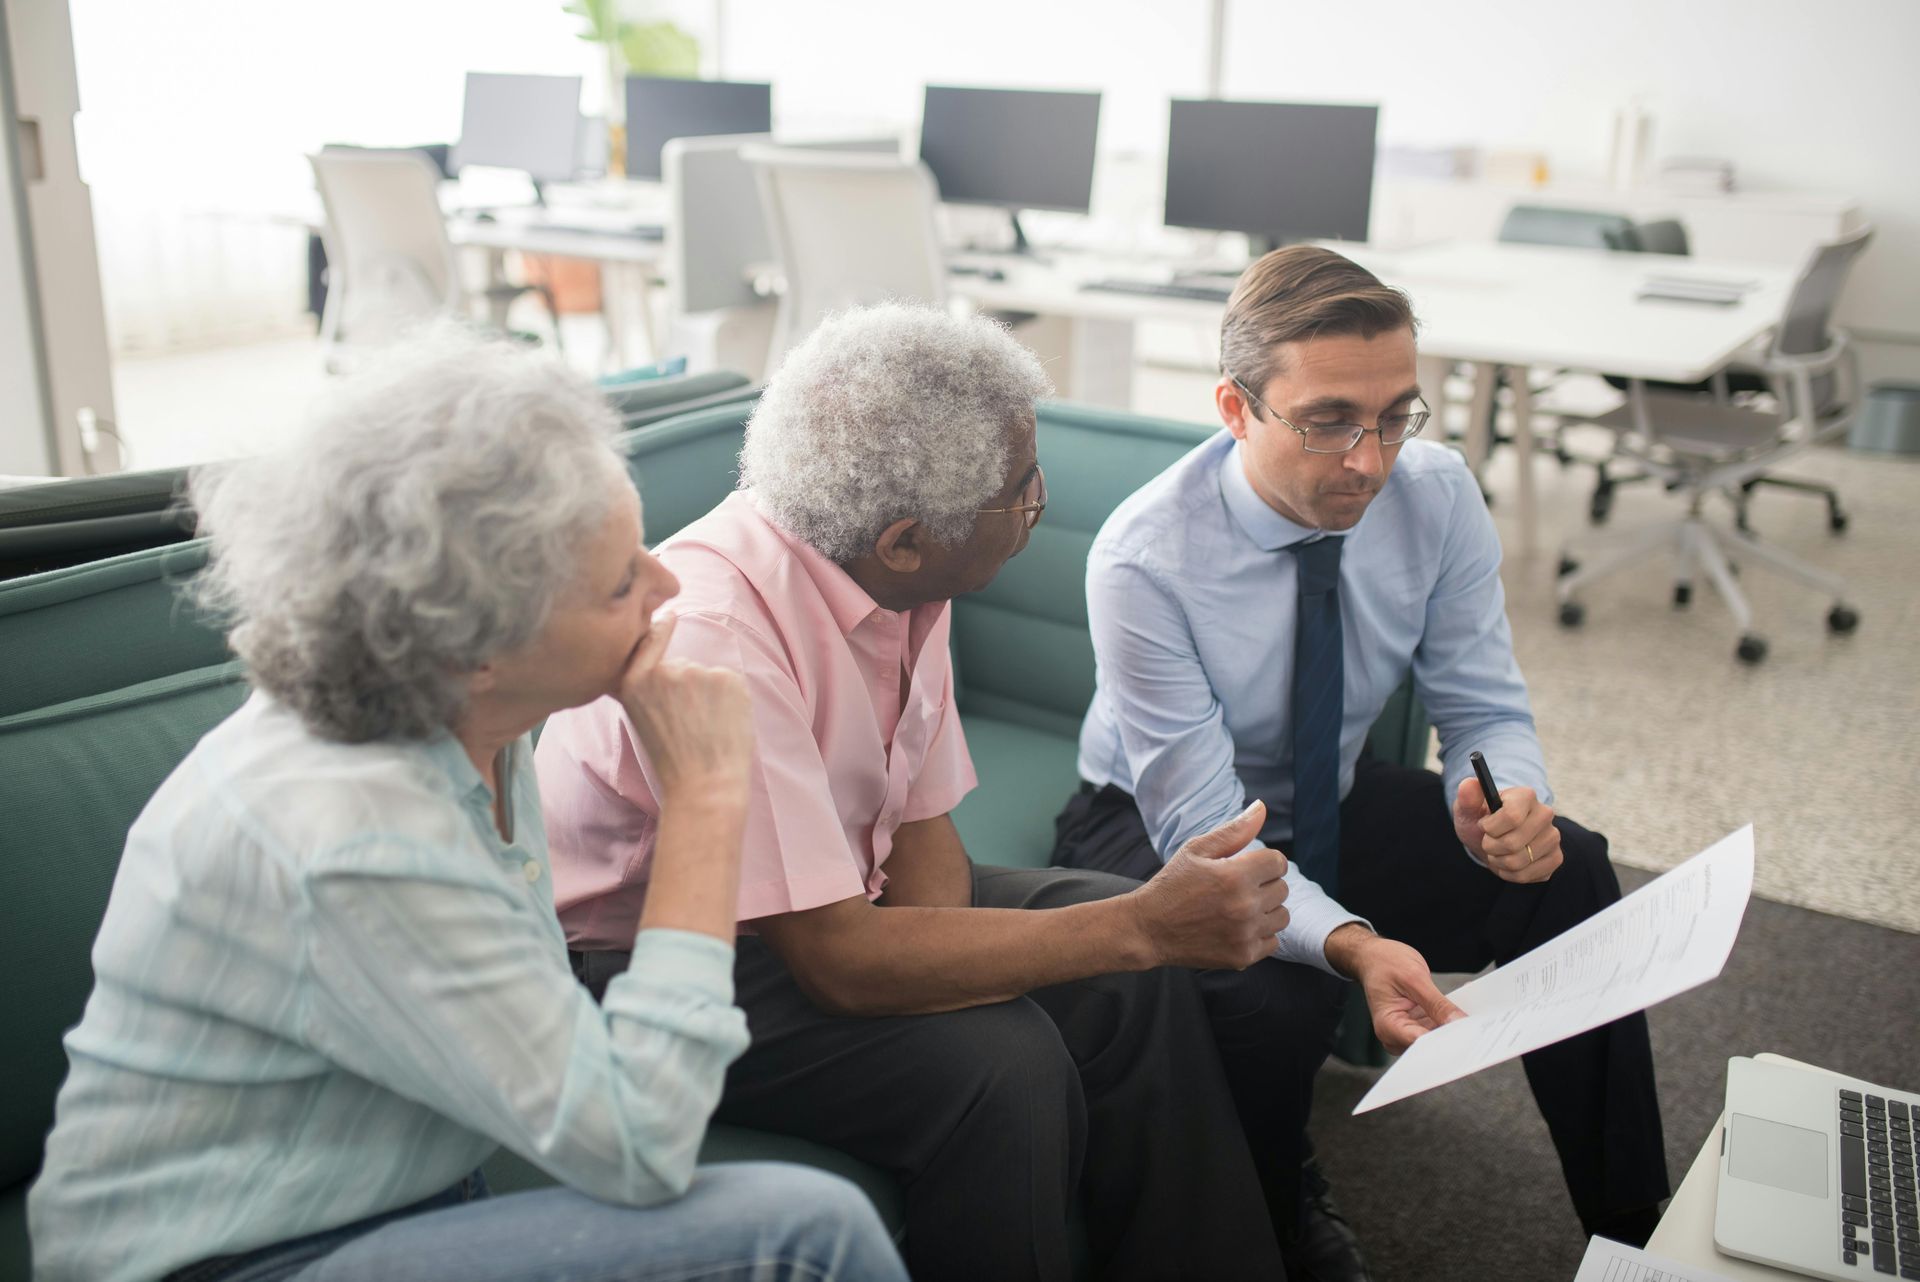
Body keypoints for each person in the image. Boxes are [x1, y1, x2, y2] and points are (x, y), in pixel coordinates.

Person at [28, 328, 905, 1282]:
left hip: (399, 1203)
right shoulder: (352, 834)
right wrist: (706, 795)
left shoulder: (475, 721)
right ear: (472, 650)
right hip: (234, 1262)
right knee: (807, 1233)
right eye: (621, 584)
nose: (668, 584)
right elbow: (642, 1146)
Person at [539, 304, 1294, 1282]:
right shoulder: (720, 636)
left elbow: (923, 836)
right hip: (643, 958)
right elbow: (841, 963)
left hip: (824, 903)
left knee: (1122, 969)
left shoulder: (900, 578)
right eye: (1024, 493)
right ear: (904, 539)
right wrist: (1143, 924)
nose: (1038, 505)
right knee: (1006, 1063)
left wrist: (1005, 960)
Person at [1052, 245, 1672, 1276]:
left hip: (1325, 793)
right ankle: (1277, 1212)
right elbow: (1203, 829)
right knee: (1271, 987)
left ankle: (1635, 1229)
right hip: (1156, 820)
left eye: (1396, 416)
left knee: (1572, 869)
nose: (1370, 460)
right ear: (1236, 407)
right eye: (1330, 419)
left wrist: (1509, 797)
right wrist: (1350, 945)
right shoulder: (1142, 559)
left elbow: (1481, 703)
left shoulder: (1436, 495)